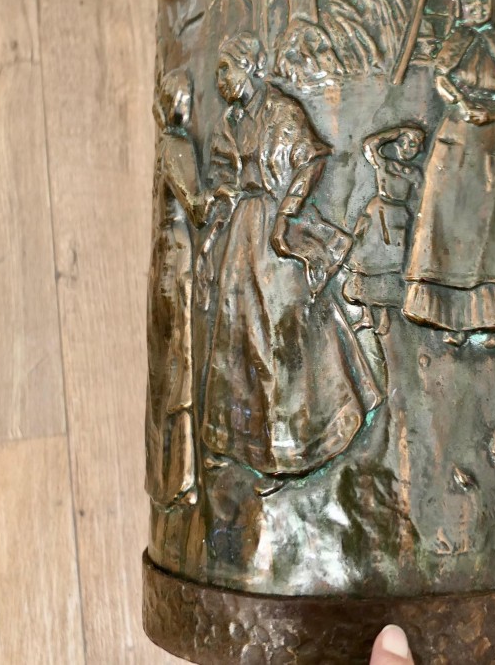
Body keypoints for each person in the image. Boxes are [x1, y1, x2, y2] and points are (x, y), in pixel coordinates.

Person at [198, 32, 382, 482]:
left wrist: (286, 213)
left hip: (270, 226)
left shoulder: (280, 112)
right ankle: (244, 440)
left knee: (285, 329)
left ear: (249, 67)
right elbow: (224, 173)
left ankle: (303, 438)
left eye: (227, 69)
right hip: (243, 231)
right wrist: (218, 212)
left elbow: (311, 159)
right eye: (219, 72)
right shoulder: (232, 121)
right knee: (240, 331)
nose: (221, 81)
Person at [404, 0, 495, 348]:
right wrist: (462, 105)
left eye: (483, 0)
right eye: (470, 0)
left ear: (493, 5)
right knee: (447, 224)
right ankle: (449, 319)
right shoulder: (457, 41)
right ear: (460, 6)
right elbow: (442, 78)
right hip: (457, 141)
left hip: (493, 141)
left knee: (492, 231)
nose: (477, 7)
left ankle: (493, 319)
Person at [146, 67, 205, 506]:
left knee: (168, 358)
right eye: (185, 95)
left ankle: (168, 475)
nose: (187, 102)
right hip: (180, 253)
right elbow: (197, 206)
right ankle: (180, 475)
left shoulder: (167, 145)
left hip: (166, 251)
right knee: (180, 356)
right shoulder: (178, 145)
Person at [344, 125, 424, 335]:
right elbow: (369, 145)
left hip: (396, 218)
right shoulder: (385, 164)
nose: (409, 148)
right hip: (377, 214)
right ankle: (367, 316)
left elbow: (422, 198)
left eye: (415, 145)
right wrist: (398, 132)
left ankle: (386, 317)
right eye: (405, 143)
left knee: (388, 267)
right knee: (364, 262)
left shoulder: (414, 174)